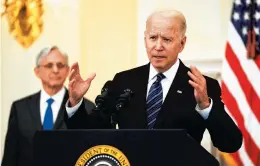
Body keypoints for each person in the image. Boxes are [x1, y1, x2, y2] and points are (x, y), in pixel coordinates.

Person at [67, 9, 242, 153]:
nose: (158, 46)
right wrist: (75, 103)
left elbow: (230, 143)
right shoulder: (124, 80)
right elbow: (89, 133)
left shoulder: (202, 86)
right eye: (153, 38)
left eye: (166, 39)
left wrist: (205, 105)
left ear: (182, 43)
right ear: (145, 40)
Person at [1, 46, 95, 166]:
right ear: (37, 71)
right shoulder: (20, 108)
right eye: (49, 65)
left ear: (67, 71)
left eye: (60, 65)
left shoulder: (85, 107)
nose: (55, 70)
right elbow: (10, 157)